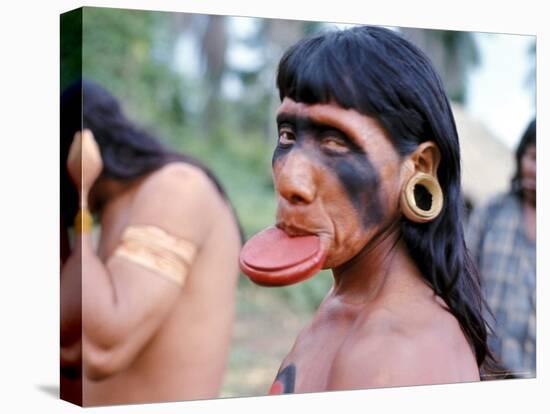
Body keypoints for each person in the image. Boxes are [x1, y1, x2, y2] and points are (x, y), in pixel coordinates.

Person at [239, 26, 493, 393]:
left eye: (333, 141)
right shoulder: (345, 302)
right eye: (287, 136)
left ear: (420, 166)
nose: (289, 181)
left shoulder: (398, 353)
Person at [60, 79, 242, 406]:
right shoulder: (119, 204)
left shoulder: (176, 187)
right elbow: (68, 349)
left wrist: (82, 193)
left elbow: (101, 348)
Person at [466, 119, 536, 379]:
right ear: (520, 157)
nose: (537, 170)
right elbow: (464, 277)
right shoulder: (491, 212)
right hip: (484, 366)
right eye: (533, 158)